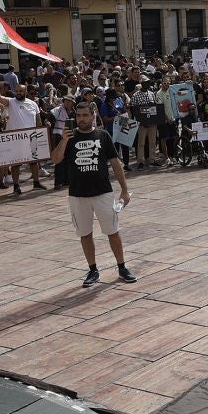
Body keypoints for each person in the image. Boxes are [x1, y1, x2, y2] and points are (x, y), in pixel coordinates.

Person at [50, 100, 134, 288]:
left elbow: (115, 164)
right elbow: (55, 159)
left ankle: (122, 267)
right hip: (78, 194)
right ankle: (93, 269)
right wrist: (63, 140)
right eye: (78, 116)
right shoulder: (69, 137)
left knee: (113, 231)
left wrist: (125, 190)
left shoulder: (102, 136)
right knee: (85, 234)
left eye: (85, 115)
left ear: (92, 116)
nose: (81, 119)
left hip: (102, 192)